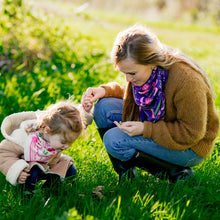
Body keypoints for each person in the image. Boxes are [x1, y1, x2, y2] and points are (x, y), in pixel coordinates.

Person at [82, 24, 219, 183]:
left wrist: (146, 129)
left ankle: (176, 173)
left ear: (152, 62)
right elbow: (137, 95)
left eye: (132, 73)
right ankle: (127, 177)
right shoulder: (150, 72)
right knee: (103, 107)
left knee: (114, 140)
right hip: (161, 125)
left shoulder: (187, 80)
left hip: (189, 148)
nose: (128, 79)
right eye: (124, 73)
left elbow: (192, 133)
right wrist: (105, 91)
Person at [0, 101, 93, 190]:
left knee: (70, 170)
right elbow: (3, 154)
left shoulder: (58, 130)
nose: (67, 146)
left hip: (48, 164)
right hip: (29, 168)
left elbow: (74, 122)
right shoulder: (25, 139)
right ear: (47, 130)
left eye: (71, 142)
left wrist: (86, 111)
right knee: (34, 171)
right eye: (64, 142)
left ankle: (50, 187)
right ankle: (29, 192)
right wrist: (18, 172)